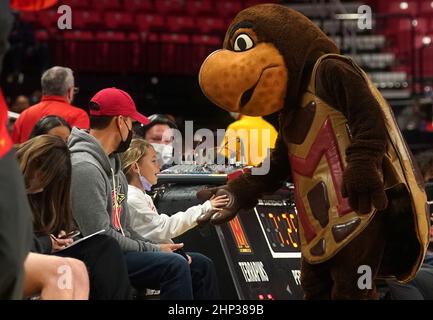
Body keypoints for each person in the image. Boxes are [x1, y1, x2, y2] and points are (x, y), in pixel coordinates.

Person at [68, 87, 211, 300]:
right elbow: (100, 237)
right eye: (132, 124)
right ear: (120, 121)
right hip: (92, 256)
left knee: (200, 265)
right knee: (175, 265)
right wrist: (153, 249)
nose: (133, 132)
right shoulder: (84, 166)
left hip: (114, 252)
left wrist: (156, 247)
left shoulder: (114, 166)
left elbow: (123, 229)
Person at [16, 134, 132, 300]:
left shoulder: (39, 189)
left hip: (36, 249)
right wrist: (47, 242)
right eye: (45, 178)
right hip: (18, 254)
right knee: (63, 271)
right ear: (34, 162)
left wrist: (59, 237)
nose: (44, 187)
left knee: (102, 247)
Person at [121, 139, 226, 299]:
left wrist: (178, 252)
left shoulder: (141, 195)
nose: (159, 166)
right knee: (186, 264)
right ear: (136, 166)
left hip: (150, 250)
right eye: (154, 161)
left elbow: (156, 234)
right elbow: (163, 227)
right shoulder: (131, 197)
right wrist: (205, 208)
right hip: (136, 255)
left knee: (202, 264)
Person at [12, 66, 89, 143]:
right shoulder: (79, 116)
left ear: (43, 89)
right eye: (74, 90)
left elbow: (14, 150)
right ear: (69, 92)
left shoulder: (24, 115)